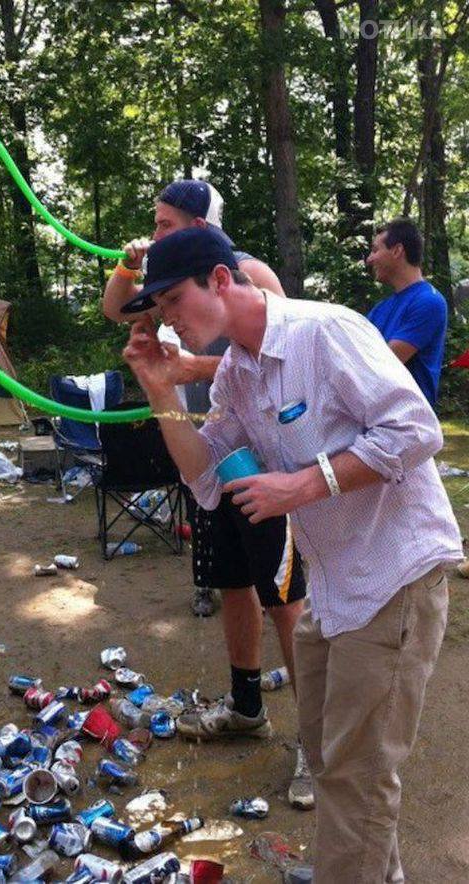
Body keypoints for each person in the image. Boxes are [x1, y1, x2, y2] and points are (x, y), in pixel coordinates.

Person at [121, 226, 463, 884]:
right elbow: (205, 477)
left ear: (221, 280)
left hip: (394, 579)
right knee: (333, 761)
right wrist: (161, 391)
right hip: (333, 589)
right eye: (158, 309)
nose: (168, 321)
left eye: (173, 301)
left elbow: (417, 430)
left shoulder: (323, 332)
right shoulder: (238, 371)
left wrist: (304, 485)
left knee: (359, 777)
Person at [102, 180, 312, 811]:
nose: (154, 233)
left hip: (262, 459)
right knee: (232, 583)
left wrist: (192, 368)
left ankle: (317, 739)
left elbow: (282, 357)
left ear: (198, 225)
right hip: (205, 445)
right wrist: (130, 266)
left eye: (164, 224)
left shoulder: (248, 274)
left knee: (286, 596)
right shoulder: (171, 283)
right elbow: (116, 310)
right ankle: (246, 706)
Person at [366, 217, 448, 407]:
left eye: (375, 250)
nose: (370, 259)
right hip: (378, 417)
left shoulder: (429, 302)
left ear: (397, 251)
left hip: (409, 421)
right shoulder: (380, 309)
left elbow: (381, 365)